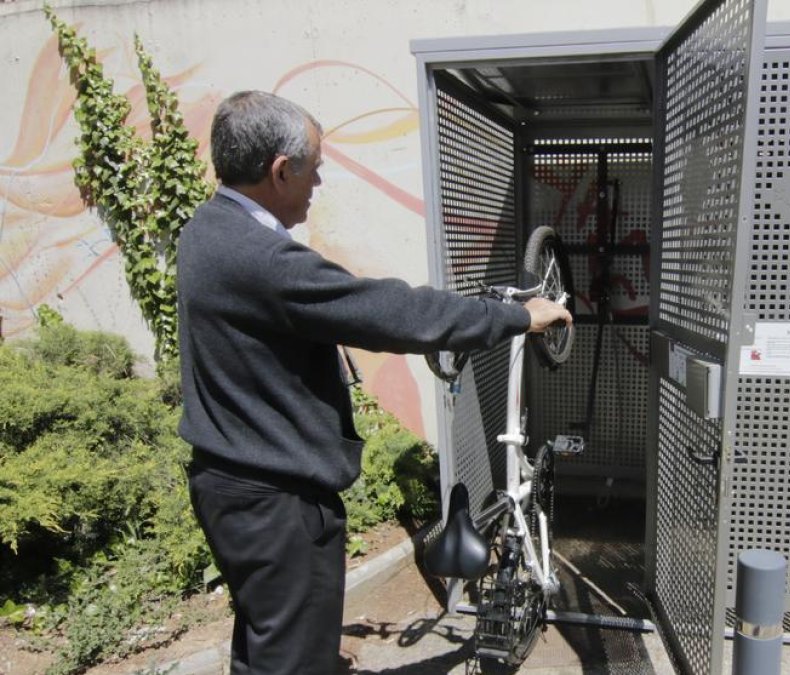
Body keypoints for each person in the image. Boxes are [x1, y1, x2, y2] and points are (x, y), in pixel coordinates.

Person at [176, 90, 571, 674]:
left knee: (270, 639)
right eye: (314, 166)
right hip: (274, 502)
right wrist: (518, 317)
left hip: (236, 484)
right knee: (288, 659)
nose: (320, 181)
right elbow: (392, 313)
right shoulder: (261, 258)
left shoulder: (207, 229)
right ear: (280, 171)